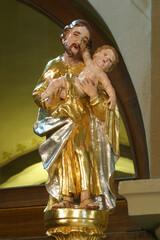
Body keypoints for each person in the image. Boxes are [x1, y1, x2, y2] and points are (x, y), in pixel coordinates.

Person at [33, 19, 120, 211]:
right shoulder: (54, 65)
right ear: (64, 37)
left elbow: (104, 112)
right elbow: (39, 94)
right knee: (65, 159)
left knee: (83, 155)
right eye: (75, 35)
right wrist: (51, 100)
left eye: (84, 40)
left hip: (84, 126)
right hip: (61, 125)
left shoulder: (89, 69)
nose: (78, 42)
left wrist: (94, 96)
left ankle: (85, 197)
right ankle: (65, 198)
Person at [41, 45, 118, 110]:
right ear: (96, 54)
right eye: (105, 54)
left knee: (64, 94)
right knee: (61, 80)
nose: (105, 60)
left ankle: (51, 89)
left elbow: (108, 86)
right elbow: (85, 55)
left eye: (109, 61)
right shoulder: (89, 63)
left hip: (80, 89)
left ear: (108, 69)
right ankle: (48, 91)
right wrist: (84, 47)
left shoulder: (102, 75)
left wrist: (112, 97)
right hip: (75, 80)